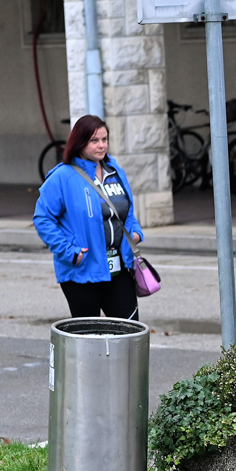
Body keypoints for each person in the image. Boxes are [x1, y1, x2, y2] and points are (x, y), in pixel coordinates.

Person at [34, 115, 145, 320]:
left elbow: (126, 210)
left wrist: (136, 233)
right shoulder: (63, 176)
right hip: (82, 272)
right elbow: (43, 218)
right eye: (94, 140)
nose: (101, 145)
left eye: (104, 139)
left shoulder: (115, 171)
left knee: (129, 331)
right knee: (88, 334)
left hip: (119, 268)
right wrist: (69, 252)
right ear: (79, 142)